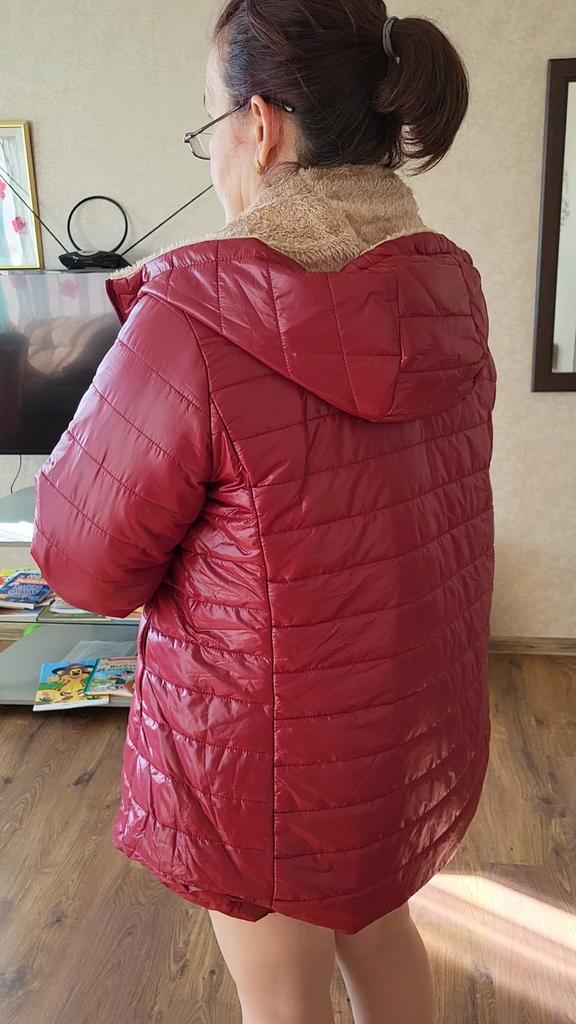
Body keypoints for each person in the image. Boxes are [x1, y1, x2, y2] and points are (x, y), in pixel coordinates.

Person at [31, 1, 497, 1022]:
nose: (213, 157)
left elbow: (83, 564)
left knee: (282, 1002)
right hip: (404, 721)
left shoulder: (194, 317)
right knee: (383, 931)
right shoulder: (448, 291)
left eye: (209, 124)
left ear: (259, 124)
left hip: (262, 754)